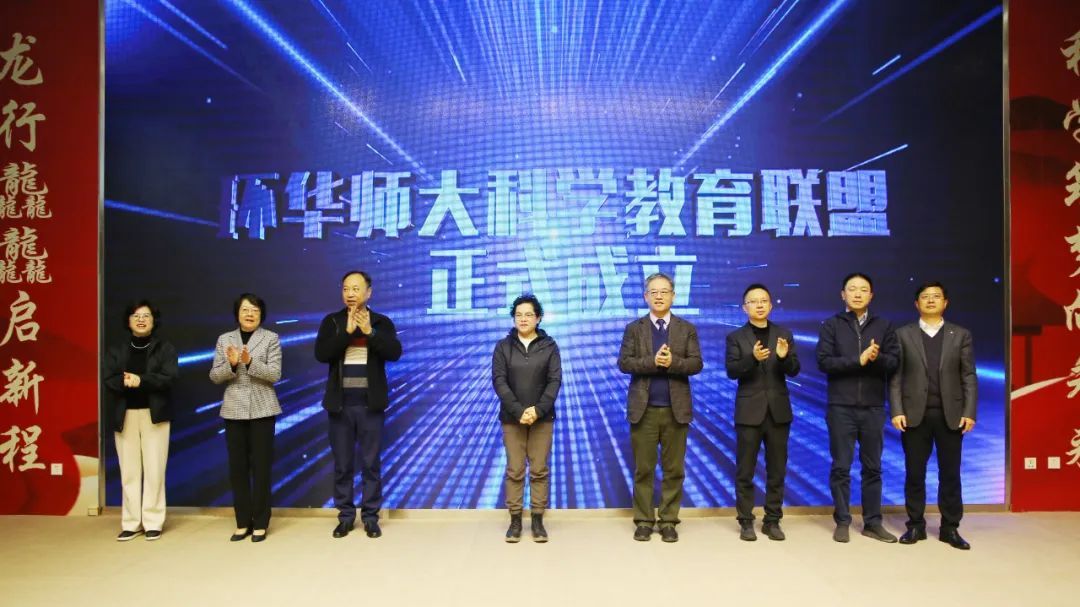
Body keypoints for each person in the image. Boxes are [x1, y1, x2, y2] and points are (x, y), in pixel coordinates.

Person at [889, 281, 977, 550]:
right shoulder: (903, 334)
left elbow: (968, 375)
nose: (930, 300)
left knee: (950, 474)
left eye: (936, 296)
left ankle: (950, 528)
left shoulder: (960, 334)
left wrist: (969, 411)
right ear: (916, 304)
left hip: (951, 415)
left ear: (945, 303)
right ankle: (915, 525)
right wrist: (897, 409)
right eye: (925, 297)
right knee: (914, 473)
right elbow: (895, 376)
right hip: (914, 415)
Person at [315, 271, 402, 539]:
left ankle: (370, 517)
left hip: (370, 405)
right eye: (345, 289)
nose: (350, 293)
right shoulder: (332, 321)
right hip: (340, 405)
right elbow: (322, 354)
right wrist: (347, 333)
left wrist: (369, 332)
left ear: (368, 292)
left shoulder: (381, 322)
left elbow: (394, 352)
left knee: (370, 464)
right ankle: (345, 517)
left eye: (355, 288)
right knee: (343, 465)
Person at [618, 272, 703, 542]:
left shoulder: (686, 328)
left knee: (674, 470)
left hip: (676, 410)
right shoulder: (634, 328)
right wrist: (653, 362)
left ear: (673, 296)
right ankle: (644, 521)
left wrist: (672, 362)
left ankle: (668, 521)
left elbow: (696, 364)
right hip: (643, 410)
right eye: (653, 292)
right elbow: (624, 363)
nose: (658, 296)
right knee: (643, 469)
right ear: (645, 296)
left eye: (664, 291)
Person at [816, 272, 900, 543]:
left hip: (873, 407)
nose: (857, 294)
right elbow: (824, 362)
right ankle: (842, 521)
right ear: (843, 294)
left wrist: (875, 358)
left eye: (863, 289)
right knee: (841, 467)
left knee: (873, 468)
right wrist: (857, 360)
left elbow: (894, 362)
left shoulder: (884, 326)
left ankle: (873, 523)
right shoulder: (831, 325)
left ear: (871, 295)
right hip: (840, 407)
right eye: (852, 289)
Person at [724, 284, 800, 541]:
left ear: (771, 305)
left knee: (777, 470)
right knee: (745, 470)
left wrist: (783, 357)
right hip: (749, 412)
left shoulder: (784, 334)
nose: (759, 305)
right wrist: (752, 359)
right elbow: (732, 371)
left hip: (778, 412)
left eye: (764, 301)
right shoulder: (735, 337)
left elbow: (794, 370)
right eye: (753, 301)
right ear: (744, 307)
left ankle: (772, 520)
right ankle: (746, 520)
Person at [103, 300, 179, 541]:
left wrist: (141, 381)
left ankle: (153, 521)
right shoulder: (117, 350)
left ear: (153, 321)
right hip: (125, 415)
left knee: (155, 470)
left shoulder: (165, 348)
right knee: (129, 471)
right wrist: (124, 381)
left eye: (146, 315)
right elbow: (108, 378)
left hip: (154, 416)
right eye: (136, 315)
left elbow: (169, 377)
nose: (141, 320)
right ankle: (131, 522)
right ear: (128, 321)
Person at [209, 293, 281, 543]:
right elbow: (214, 376)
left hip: (263, 409)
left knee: (261, 468)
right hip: (234, 410)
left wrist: (250, 364)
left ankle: (260, 523)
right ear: (237, 313)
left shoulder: (271, 338)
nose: (250, 314)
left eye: (255, 310)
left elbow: (275, 374)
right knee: (238, 469)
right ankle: (242, 522)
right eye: (245, 310)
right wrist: (230, 366)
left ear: (261, 315)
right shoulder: (225, 339)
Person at [492, 294, 562, 543]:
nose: (523, 319)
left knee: (539, 469)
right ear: (513, 318)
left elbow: (554, 381)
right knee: (515, 469)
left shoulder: (550, 346)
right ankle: (514, 521)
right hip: (512, 419)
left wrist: (538, 410)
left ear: (538, 318)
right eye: (518, 315)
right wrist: (518, 410)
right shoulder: (503, 346)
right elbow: (499, 381)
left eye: (528, 315)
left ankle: (538, 520)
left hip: (542, 418)